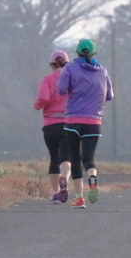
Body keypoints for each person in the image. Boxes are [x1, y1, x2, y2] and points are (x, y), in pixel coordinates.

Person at [57, 38, 113, 208]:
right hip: (94, 121)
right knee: (89, 159)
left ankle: (80, 198)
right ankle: (93, 178)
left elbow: (61, 89)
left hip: (73, 120)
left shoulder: (70, 68)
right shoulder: (102, 70)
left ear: (77, 51)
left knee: (75, 158)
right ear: (94, 52)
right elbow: (109, 95)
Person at [34, 49, 70, 203]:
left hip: (50, 124)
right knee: (66, 157)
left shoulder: (47, 80)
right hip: (69, 122)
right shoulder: (73, 80)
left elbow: (43, 97)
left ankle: (55, 193)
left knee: (54, 158)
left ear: (51, 64)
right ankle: (65, 181)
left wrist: (37, 105)